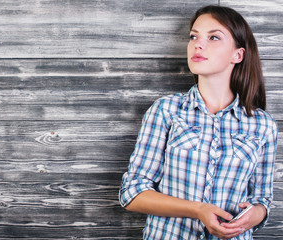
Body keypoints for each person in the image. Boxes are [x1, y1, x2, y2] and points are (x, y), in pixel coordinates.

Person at [119, 5, 278, 240]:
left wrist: (255, 214)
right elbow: (132, 194)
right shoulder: (166, 111)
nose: (198, 44)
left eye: (214, 37)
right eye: (194, 36)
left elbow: (262, 200)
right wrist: (197, 210)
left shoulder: (263, 125)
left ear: (238, 55)